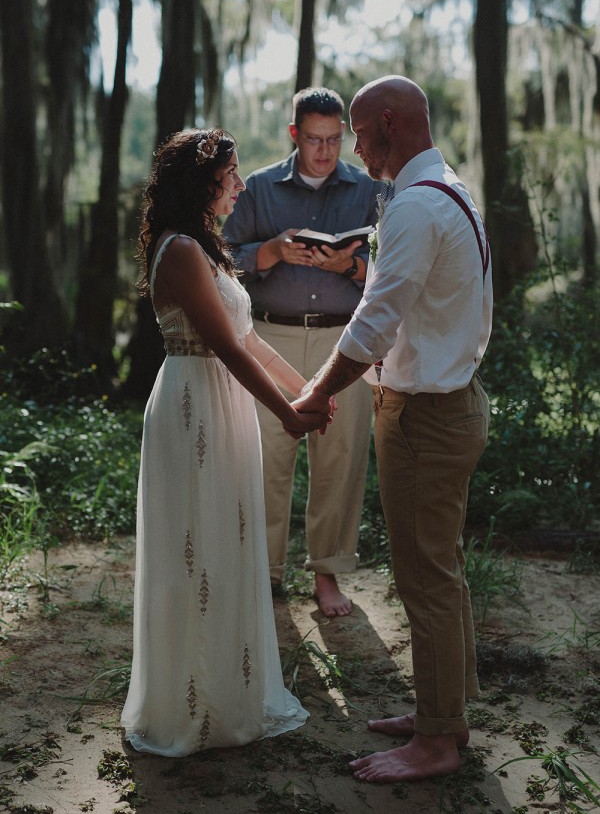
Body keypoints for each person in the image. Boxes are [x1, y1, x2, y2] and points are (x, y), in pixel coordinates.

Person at [298, 75, 493, 781]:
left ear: (388, 121)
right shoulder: (452, 189)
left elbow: (375, 321)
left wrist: (316, 397)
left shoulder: (416, 204)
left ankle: (438, 741)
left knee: (426, 578)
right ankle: (446, 708)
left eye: (356, 129)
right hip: (449, 402)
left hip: (427, 417)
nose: (353, 146)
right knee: (439, 569)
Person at [121, 128, 332, 757]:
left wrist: (310, 393)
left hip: (224, 405)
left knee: (227, 540)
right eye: (233, 173)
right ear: (202, 180)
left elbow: (256, 340)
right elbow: (225, 346)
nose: (242, 184)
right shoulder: (181, 250)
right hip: (193, 408)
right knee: (196, 546)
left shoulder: (208, 251)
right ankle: (189, 705)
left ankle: (225, 690)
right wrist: (288, 417)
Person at [223, 87, 379, 617]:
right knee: (267, 458)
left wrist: (350, 267)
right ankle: (265, 574)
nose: (325, 152)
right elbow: (218, 262)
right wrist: (271, 251)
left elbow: (391, 268)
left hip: (346, 340)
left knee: (340, 459)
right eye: (314, 140)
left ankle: (328, 576)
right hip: (273, 336)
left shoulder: (369, 189)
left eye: (335, 140)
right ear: (295, 134)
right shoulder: (260, 188)